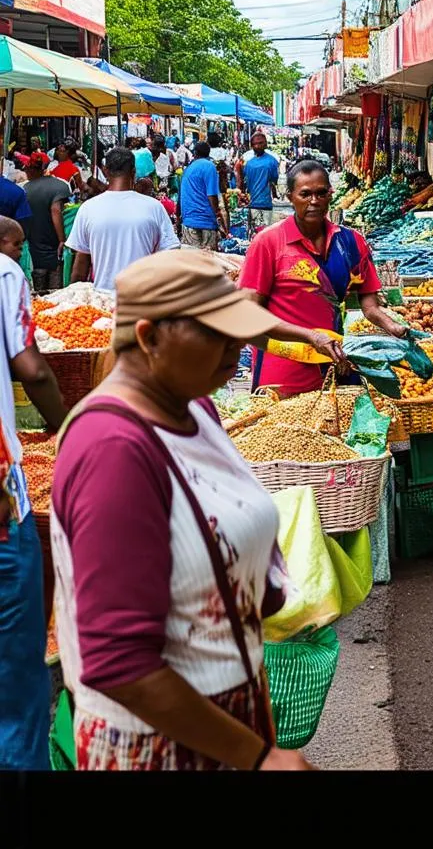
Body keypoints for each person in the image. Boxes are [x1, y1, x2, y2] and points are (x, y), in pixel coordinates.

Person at [50, 249, 314, 771]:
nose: (237, 345)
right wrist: (259, 758)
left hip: (229, 714)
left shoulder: (196, 407)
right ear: (149, 338)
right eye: (215, 332)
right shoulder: (113, 448)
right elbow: (118, 662)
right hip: (157, 746)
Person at [238, 158, 408, 397]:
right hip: (283, 363)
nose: (314, 202)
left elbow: (368, 303)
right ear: (290, 197)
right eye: (305, 194)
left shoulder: (351, 242)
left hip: (333, 359)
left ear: (331, 194)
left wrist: (392, 326)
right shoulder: (268, 243)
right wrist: (310, 336)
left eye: (321, 193)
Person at [0, 215, 67, 770]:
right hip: (1, 507)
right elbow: (32, 367)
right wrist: (68, 427)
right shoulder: (3, 275)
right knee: (18, 682)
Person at [67, 145, 180, 292]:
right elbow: (169, 257)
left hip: (102, 302)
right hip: (144, 299)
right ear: (133, 172)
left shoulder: (88, 209)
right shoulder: (154, 207)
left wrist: (73, 297)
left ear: (105, 171)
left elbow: (81, 263)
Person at [23, 153, 71, 292]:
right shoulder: (60, 186)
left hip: (34, 247)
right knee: (55, 292)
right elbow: (56, 210)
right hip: (54, 247)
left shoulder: (26, 189)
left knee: (38, 292)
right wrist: (62, 239)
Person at [178, 141, 226, 249]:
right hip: (207, 222)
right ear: (208, 153)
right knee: (209, 261)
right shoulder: (210, 166)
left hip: (189, 223)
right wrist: (219, 217)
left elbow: (180, 196)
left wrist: (178, 218)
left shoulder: (187, 169)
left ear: (194, 153)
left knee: (193, 263)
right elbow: (212, 196)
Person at [235, 132, 279, 237]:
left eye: (260, 143)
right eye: (255, 144)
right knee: (264, 235)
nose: (258, 146)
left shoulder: (249, 163)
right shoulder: (271, 161)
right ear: (252, 146)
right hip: (258, 204)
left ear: (266, 144)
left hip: (258, 204)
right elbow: (274, 180)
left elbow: (242, 182)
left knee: (254, 235)